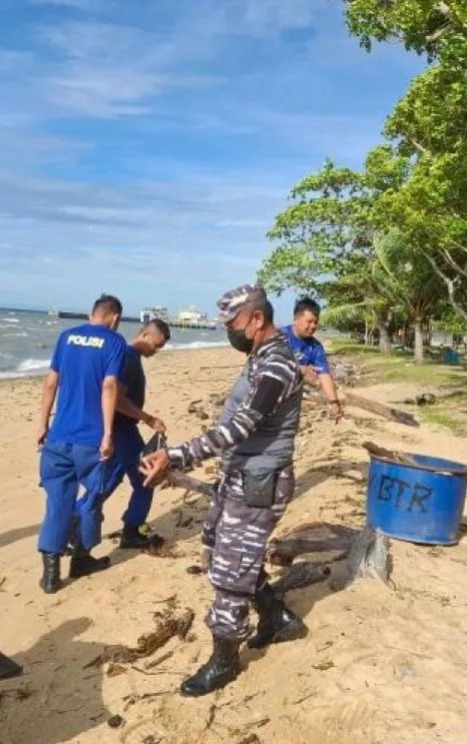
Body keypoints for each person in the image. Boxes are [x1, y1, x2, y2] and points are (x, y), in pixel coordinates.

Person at [140, 284, 307, 697]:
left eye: (232, 323)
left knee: (231, 573)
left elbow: (239, 427)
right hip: (240, 476)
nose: (228, 330)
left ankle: (224, 661)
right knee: (223, 549)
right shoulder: (260, 357)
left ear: (256, 319)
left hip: (259, 482)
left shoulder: (277, 367)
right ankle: (277, 619)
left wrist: (177, 456)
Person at [36, 294, 127, 594]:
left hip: (59, 436)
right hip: (90, 438)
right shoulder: (114, 343)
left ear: (92, 314)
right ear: (113, 318)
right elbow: (109, 385)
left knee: (57, 502)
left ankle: (51, 575)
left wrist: (42, 424)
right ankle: (81, 557)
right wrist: (108, 434)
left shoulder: (66, 337)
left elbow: (51, 382)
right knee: (92, 498)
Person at [97, 319, 170, 549]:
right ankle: (130, 529)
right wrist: (147, 418)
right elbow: (117, 399)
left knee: (109, 482)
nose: (156, 351)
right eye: (156, 346)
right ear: (145, 335)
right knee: (144, 478)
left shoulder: (132, 357)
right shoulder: (128, 357)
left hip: (124, 430)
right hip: (123, 430)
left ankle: (76, 525)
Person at [281, 297, 342, 423]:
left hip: (290, 402)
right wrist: (299, 368)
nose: (313, 326)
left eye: (315, 322)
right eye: (309, 321)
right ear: (296, 320)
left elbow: (324, 374)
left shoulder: (315, 347)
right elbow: (264, 363)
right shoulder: (278, 337)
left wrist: (334, 402)